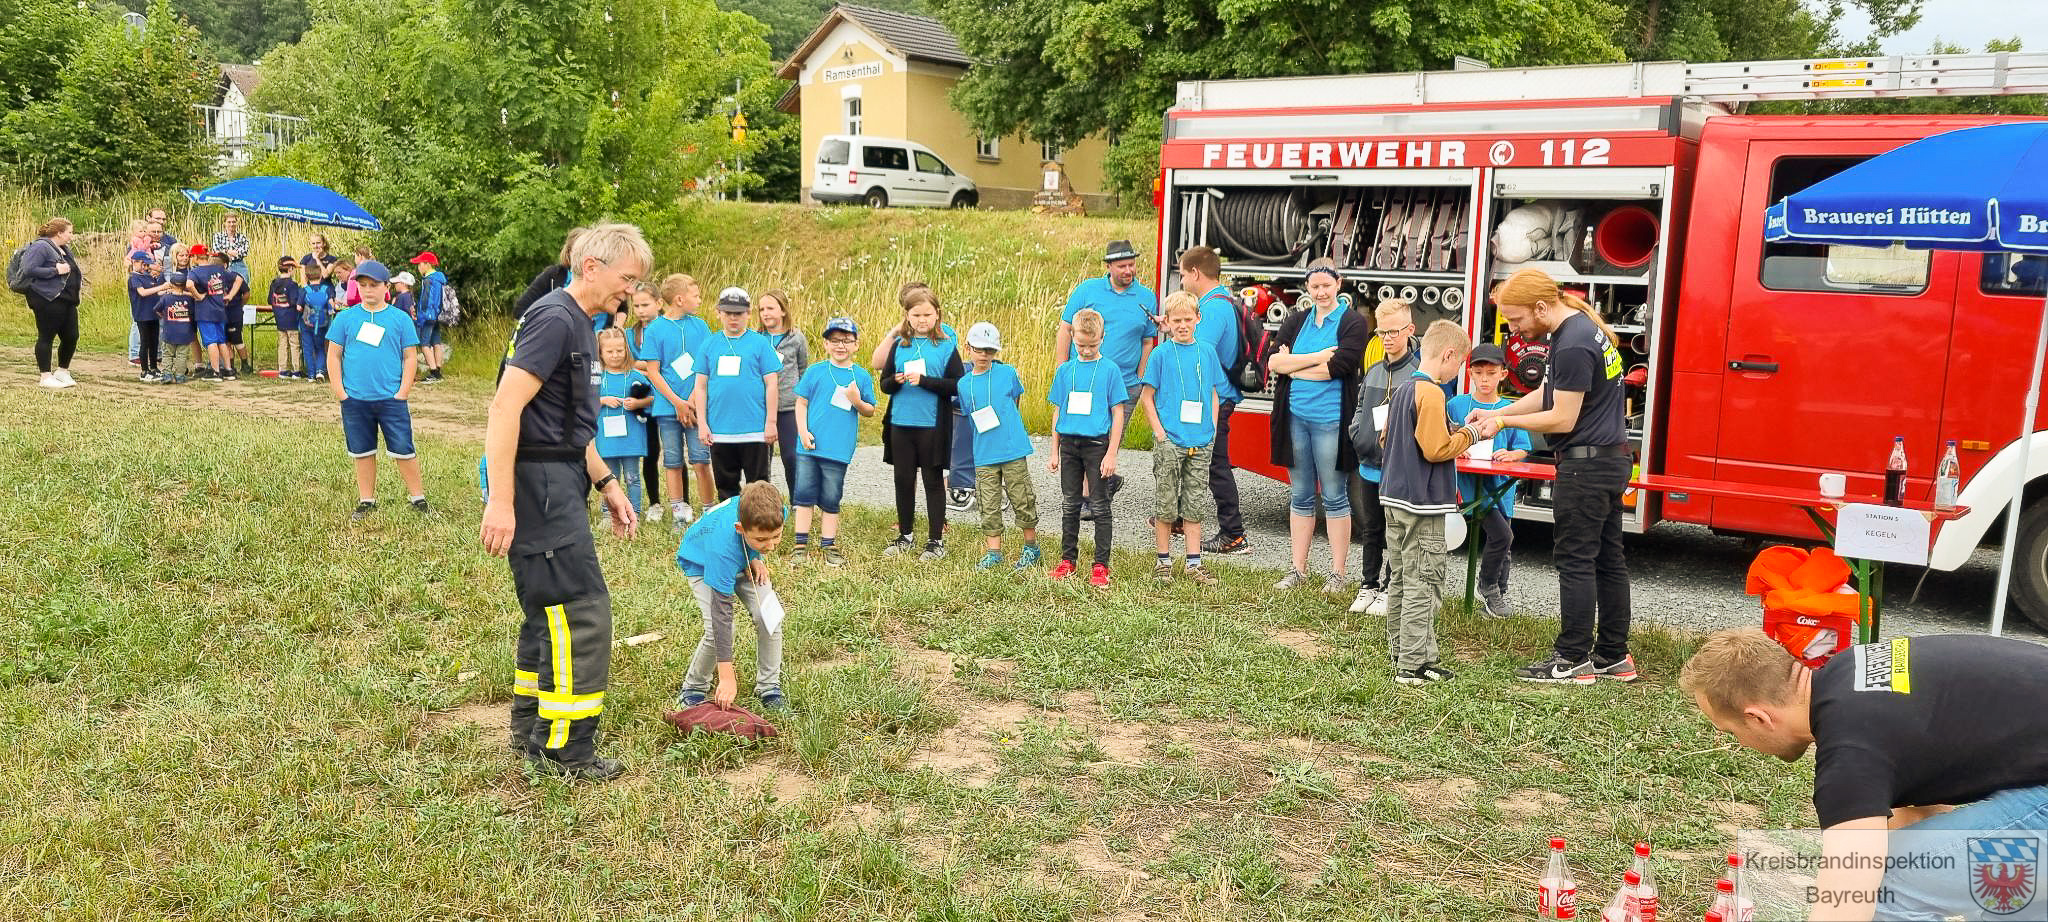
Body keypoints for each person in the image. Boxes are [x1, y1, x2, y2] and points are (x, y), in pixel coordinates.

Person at [1681, 629, 2048, 921]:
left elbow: (1848, 901)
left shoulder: (1850, 754)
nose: (1742, 745)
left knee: (1887, 885)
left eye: (1733, 733)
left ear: (1758, 717)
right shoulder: (1853, 674)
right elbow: (1920, 817)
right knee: (2003, 892)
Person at [478, 222, 646, 782]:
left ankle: (530, 730)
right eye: (627, 279)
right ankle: (567, 748)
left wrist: (606, 482)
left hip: (561, 475)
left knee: (548, 612)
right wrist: (502, 501)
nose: (631, 291)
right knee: (581, 613)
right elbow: (506, 409)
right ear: (591, 266)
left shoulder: (579, 321)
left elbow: (567, 424)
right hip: (539, 488)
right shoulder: (555, 318)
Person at [1468, 269, 1637, 684]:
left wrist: (1500, 420)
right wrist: (1499, 413)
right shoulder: (1578, 331)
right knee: (1608, 559)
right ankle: (1613, 655)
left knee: (1576, 561)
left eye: (1517, 318)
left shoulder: (1574, 343)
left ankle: (1572, 658)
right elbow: (1549, 394)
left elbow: (1562, 416)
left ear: (1541, 307)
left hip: (1585, 466)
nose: (1514, 328)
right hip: (1611, 459)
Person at [1379, 321, 1486, 685]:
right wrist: (1470, 434)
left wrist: (1451, 428)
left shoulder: (1405, 389)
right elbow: (1435, 448)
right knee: (1424, 582)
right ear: (1448, 355)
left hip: (1394, 497)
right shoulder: (1434, 394)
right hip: (1422, 503)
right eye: (1460, 365)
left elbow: (1387, 438)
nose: (1458, 372)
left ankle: (1399, 651)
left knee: (1401, 579)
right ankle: (1414, 664)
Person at [1265, 259, 1371, 596]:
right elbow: (1272, 362)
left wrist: (1293, 366)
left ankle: (1338, 574)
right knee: (1299, 495)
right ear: (1307, 289)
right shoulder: (1297, 320)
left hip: (1331, 421)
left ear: (1339, 283)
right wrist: (1314, 358)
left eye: (1327, 285)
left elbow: (1340, 367)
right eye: (1314, 287)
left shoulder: (1353, 323)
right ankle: (1298, 570)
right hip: (1295, 418)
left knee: (1336, 496)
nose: (1321, 292)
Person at [1053, 240, 1158, 515]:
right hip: (1085, 378)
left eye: (1132, 264)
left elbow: (1148, 340)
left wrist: (1141, 373)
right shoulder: (1087, 290)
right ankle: (1089, 497)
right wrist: (1062, 367)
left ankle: (1102, 484)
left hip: (1125, 381)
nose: (1129, 270)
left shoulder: (1146, 297)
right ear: (1109, 266)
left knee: (1111, 437)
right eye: (1122, 265)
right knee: (1088, 433)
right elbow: (1065, 329)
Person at [674, 480, 790, 713]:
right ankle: (694, 687)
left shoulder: (776, 512)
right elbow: (722, 615)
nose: (771, 545)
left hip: (740, 555)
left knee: (770, 616)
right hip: (703, 563)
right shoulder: (722, 548)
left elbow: (763, 537)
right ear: (740, 528)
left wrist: (755, 553)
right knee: (716, 631)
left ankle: (769, 687)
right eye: (761, 540)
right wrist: (726, 677)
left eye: (776, 536)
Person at [325, 259, 427, 521]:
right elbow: (334, 355)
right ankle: (366, 499)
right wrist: (341, 391)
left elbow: (410, 357)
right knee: (362, 451)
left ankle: (418, 497)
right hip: (355, 399)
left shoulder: (400, 319)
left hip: (391, 398)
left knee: (404, 449)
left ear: (386, 287)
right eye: (363, 285)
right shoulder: (346, 318)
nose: (368, 290)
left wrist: (403, 391)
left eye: (374, 285)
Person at [1139, 291, 1223, 587]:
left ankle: (1193, 562)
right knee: (1165, 502)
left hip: (1200, 441)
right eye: (1177, 320)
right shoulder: (1161, 355)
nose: (1183, 325)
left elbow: (1214, 393)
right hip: (1170, 440)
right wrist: (1160, 434)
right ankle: (1163, 560)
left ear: (1198, 319)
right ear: (1167, 322)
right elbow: (1147, 397)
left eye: (1188, 319)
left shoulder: (1207, 352)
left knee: (1194, 502)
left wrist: (1212, 427)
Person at [877, 285, 964, 560]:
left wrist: (925, 381)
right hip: (901, 424)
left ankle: (935, 540)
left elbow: (957, 385)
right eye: (916, 315)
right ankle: (905, 535)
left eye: (927, 314)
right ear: (907, 316)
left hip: (932, 426)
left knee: (932, 481)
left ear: (937, 315)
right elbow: (884, 384)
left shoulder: (947, 347)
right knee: (903, 479)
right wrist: (896, 380)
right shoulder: (900, 346)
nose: (922, 320)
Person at [1346, 299, 1421, 615]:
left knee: (1397, 532)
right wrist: (1357, 433)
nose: (1388, 338)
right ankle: (1368, 585)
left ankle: (1391, 587)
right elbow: (1361, 407)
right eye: (1381, 332)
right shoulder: (1374, 370)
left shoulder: (1417, 375)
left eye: (1394, 331)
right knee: (1371, 529)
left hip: (1396, 471)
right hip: (1368, 467)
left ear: (1409, 330)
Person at [1445, 342, 1532, 617]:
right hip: (1468, 488)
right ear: (1469, 373)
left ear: (1503, 375)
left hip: (1500, 488)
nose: (1484, 378)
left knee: (1504, 541)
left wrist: (1512, 454)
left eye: (1491, 373)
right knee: (1502, 536)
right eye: (1479, 372)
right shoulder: (1456, 405)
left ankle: (1496, 598)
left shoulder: (1510, 408)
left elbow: (1523, 447)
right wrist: (1459, 444)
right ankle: (1488, 587)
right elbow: (1443, 437)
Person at [1045, 308, 1128, 588]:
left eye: (1092, 345)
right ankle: (1068, 559)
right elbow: (1057, 411)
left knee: (1100, 506)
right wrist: (1054, 450)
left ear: (1102, 338)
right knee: (1070, 504)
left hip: (1096, 446)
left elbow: (1117, 412)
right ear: (1072, 337)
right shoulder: (1065, 370)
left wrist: (1112, 452)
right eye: (1081, 345)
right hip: (1069, 445)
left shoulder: (1110, 370)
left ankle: (1101, 565)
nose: (1087, 350)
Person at [791, 316, 877, 567]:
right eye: (835, 340)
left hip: (838, 450)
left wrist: (856, 400)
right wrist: (802, 432)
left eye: (847, 341)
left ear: (856, 345)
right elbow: (801, 403)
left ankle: (829, 544)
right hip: (809, 447)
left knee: (831, 497)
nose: (841, 346)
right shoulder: (815, 371)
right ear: (826, 344)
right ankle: (800, 544)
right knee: (804, 496)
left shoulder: (860, 376)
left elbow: (870, 410)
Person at [956, 321, 1042, 572]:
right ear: (968, 348)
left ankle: (1031, 547)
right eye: (979, 349)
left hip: (1012, 449)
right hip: (984, 452)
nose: (984, 355)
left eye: (990, 351)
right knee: (988, 501)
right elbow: (968, 410)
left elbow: (1015, 398)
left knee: (1021, 497)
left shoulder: (1007, 373)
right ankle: (993, 551)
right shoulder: (963, 384)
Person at [1180, 246, 1248, 557]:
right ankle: (1183, 516)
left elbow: (1198, 352)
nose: (1182, 281)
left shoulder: (1213, 309)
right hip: (1217, 397)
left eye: (1182, 275)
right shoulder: (1222, 302)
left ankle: (1233, 534)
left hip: (1214, 399)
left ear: (1195, 273)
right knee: (1197, 459)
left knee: (1215, 464)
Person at [690, 287, 780, 500]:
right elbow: (700, 387)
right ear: (718, 313)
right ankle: (731, 528)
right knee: (726, 488)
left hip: (755, 430)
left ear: (749, 314)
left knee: (758, 488)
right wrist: (702, 423)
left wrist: (771, 422)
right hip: (720, 431)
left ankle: (759, 528)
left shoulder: (760, 343)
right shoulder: (709, 344)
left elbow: (772, 384)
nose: (733, 318)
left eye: (738, 313)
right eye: (728, 313)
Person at [641, 273, 713, 527]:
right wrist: (677, 402)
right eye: (696, 296)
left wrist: (691, 400)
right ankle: (679, 513)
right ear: (680, 299)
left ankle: (708, 511)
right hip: (667, 407)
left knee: (701, 459)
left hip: (696, 406)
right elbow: (653, 371)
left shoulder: (701, 326)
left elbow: (705, 366)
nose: (700, 300)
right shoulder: (655, 330)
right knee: (672, 461)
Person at [594, 327, 653, 519]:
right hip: (606, 438)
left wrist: (638, 403)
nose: (615, 355)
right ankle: (608, 514)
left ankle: (634, 511)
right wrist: (602, 400)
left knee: (632, 477)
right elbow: (582, 401)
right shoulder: (596, 378)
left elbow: (652, 397)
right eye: (609, 351)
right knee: (610, 478)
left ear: (626, 350)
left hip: (631, 437)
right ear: (600, 353)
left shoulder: (635, 375)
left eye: (619, 350)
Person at [757, 289, 810, 493]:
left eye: (771, 308)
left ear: (783, 311)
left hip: (789, 406)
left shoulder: (796, 338)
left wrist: (803, 400)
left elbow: (803, 368)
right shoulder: (756, 338)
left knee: (791, 456)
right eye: (762, 309)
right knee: (762, 459)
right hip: (761, 407)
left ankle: (798, 500)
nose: (766, 313)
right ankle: (762, 500)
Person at [20, 218, 82, 389]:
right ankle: (45, 376)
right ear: (59, 233)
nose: (71, 236)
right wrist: (55, 270)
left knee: (71, 336)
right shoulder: (41, 246)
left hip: (67, 300)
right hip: (47, 299)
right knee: (46, 336)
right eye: (69, 232)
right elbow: (28, 269)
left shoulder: (63, 248)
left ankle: (62, 371)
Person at [623, 285, 665, 520]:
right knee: (646, 451)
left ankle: (672, 503)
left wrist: (647, 366)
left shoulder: (666, 329)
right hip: (641, 401)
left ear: (659, 303)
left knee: (666, 453)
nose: (640, 310)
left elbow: (663, 362)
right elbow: (626, 360)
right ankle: (650, 502)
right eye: (636, 306)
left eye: (645, 305)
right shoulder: (631, 334)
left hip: (666, 398)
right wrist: (650, 368)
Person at [186, 245, 240, 380]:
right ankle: (228, 370)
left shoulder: (195, 272)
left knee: (211, 341)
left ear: (196, 257)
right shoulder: (219, 269)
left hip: (205, 311)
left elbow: (188, 285)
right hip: (220, 310)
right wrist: (230, 295)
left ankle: (215, 372)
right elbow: (239, 279)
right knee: (221, 341)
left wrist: (198, 296)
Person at [512, 225, 587, 315]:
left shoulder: (602, 279)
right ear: (569, 252)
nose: (583, 255)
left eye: (587, 250)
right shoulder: (554, 275)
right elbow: (520, 309)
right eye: (579, 251)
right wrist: (548, 323)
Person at [212, 215, 254, 374]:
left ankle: (245, 363)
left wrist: (232, 254)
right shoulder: (218, 236)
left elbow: (244, 251)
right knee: (226, 339)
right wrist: (228, 253)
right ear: (224, 223)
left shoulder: (242, 237)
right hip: (222, 263)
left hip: (238, 266)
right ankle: (230, 365)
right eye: (229, 221)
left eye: (234, 221)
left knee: (236, 338)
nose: (231, 224)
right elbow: (217, 251)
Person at [127, 250, 167, 383]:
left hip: (154, 314)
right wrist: (161, 287)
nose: (146, 268)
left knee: (154, 342)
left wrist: (168, 290)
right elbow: (143, 293)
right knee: (145, 342)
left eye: (147, 265)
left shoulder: (149, 277)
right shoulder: (134, 278)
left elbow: (156, 293)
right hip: (142, 314)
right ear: (135, 262)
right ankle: (144, 371)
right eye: (144, 265)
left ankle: (154, 367)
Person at [411, 251, 448, 382]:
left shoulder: (428, 280)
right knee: (436, 342)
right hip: (437, 314)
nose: (418, 267)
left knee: (424, 344)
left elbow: (425, 301)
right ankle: (438, 369)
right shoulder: (440, 278)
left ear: (427, 264)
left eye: (419, 264)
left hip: (428, 316)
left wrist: (420, 318)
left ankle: (433, 373)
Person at [156, 272, 196, 384]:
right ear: (184, 286)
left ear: (171, 285)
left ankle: (167, 374)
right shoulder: (188, 300)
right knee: (182, 355)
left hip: (169, 332)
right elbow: (192, 313)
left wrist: (165, 316)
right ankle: (180, 376)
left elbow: (157, 309)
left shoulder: (166, 298)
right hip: (185, 333)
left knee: (167, 354)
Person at [269, 256, 304, 379]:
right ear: (290, 269)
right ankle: (296, 370)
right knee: (294, 344)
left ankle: (282, 370)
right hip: (291, 318)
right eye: (294, 269)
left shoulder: (274, 283)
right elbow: (294, 301)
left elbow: (270, 300)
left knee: (282, 344)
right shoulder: (292, 284)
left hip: (279, 318)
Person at [300, 260, 335, 383]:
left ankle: (311, 375)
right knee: (320, 348)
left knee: (308, 349)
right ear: (320, 275)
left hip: (307, 325)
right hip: (322, 324)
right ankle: (320, 371)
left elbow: (299, 307)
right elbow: (332, 306)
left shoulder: (305, 290)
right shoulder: (327, 289)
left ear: (307, 277)